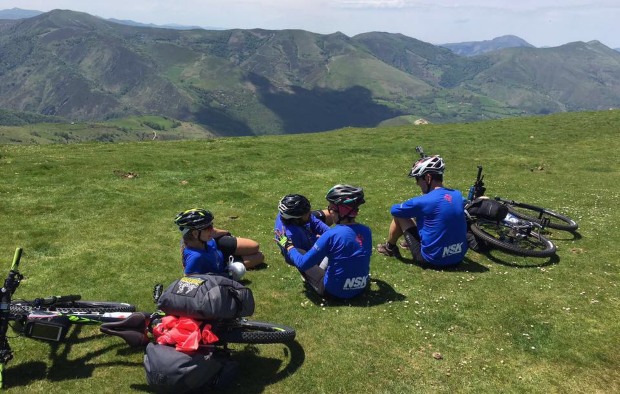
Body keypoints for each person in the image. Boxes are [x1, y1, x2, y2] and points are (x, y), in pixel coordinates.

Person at [275, 185, 372, 299]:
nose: (329, 211)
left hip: (332, 292)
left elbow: (302, 263)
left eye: (331, 208)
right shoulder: (367, 231)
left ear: (340, 212)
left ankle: (316, 278)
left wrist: (289, 246)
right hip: (360, 287)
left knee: (298, 252)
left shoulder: (330, 235)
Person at [376, 155, 468, 268]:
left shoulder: (423, 201)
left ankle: (389, 248)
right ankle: (411, 242)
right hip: (458, 257)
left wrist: (417, 206)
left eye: (418, 179)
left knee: (400, 216)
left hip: (431, 259)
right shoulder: (457, 195)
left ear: (428, 178)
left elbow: (395, 210)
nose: (417, 183)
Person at [174, 208, 264, 276]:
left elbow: (215, 232)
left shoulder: (204, 239)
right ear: (195, 233)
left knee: (255, 246)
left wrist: (227, 234)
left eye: (211, 225)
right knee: (259, 257)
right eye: (208, 227)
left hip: (217, 248)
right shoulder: (196, 257)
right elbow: (189, 282)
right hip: (222, 267)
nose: (212, 229)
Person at [273, 194, 331, 265]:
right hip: (306, 251)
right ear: (296, 218)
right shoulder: (292, 235)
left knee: (330, 214)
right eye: (307, 213)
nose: (310, 213)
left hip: (305, 234)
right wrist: (323, 242)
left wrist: (331, 235)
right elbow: (303, 259)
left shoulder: (288, 215)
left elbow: (316, 222)